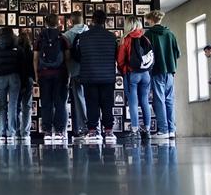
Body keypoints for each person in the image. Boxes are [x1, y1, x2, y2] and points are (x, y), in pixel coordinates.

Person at [72, 10, 118, 145]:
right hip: (107, 76)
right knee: (107, 104)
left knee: (91, 104)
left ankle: (92, 131)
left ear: (92, 20)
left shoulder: (83, 37)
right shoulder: (111, 37)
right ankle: (109, 131)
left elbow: (77, 56)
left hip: (89, 75)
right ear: (105, 21)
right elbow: (116, 55)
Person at [144, 10, 181, 141]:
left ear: (151, 20)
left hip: (157, 70)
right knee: (169, 100)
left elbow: (146, 55)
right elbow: (178, 53)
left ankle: (163, 129)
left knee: (159, 100)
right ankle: (171, 129)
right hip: (170, 71)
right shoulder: (170, 34)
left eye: (147, 20)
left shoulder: (148, 34)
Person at [34, 14, 70, 143]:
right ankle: (60, 131)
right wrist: (68, 74)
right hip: (60, 74)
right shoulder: (62, 38)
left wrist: (37, 75)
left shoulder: (40, 38)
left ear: (45, 23)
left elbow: (35, 58)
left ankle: (47, 131)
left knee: (46, 103)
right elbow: (67, 58)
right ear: (58, 23)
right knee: (60, 102)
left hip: (44, 75)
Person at [117, 17, 153, 141]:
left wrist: (123, 71)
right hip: (146, 74)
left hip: (132, 74)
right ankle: (147, 130)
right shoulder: (145, 38)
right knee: (145, 101)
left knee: (133, 102)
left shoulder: (126, 39)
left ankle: (135, 130)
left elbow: (121, 60)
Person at [0, 27, 22, 144]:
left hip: (0, 77)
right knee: (13, 105)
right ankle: (12, 132)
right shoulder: (17, 47)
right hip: (14, 77)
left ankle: (2, 132)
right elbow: (21, 65)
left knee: (2, 105)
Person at [63, 12, 88, 139]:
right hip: (90, 72)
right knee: (91, 99)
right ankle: (93, 127)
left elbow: (65, 57)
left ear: (71, 22)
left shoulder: (67, 35)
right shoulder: (89, 32)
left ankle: (81, 128)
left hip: (74, 71)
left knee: (78, 100)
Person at [16, 30, 35, 141]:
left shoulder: (16, 52)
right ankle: (25, 133)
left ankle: (17, 132)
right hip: (28, 80)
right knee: (27, 107)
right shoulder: (30, 52)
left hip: (17, 79)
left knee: (16, 106)